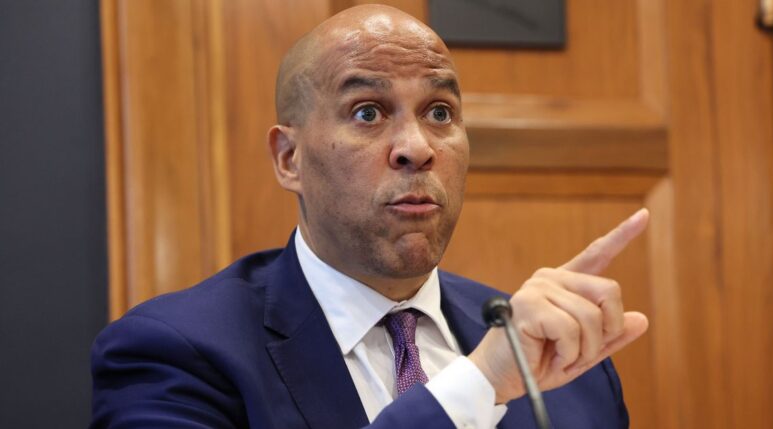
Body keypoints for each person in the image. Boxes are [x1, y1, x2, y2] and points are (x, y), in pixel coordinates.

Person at [90, 4, 649, 428]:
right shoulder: (176, 355)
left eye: (439, 112)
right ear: (290, 159)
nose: (417, 147)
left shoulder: (569, 367)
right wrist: (477, 385)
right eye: (367, 112)